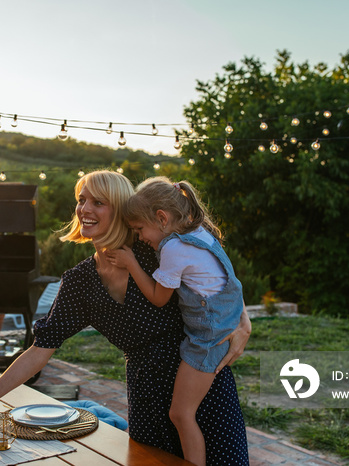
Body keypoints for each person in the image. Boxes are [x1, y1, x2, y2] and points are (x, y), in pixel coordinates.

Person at [0, 170, 250, 464]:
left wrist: (242, 318)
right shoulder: (80, 283)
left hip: (203, 390)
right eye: (82, 200)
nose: (85, 209)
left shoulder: (154, 250)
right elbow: (38, 351)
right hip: (146, 402)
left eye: (98, 202)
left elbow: (212, 272)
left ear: (120, 209)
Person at [105, 176, 245, 466]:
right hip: (222, 321)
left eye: (140, 229)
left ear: (162, 218)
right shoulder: (200, 232)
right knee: (184, 413)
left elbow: (158, 297)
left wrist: (131, 263)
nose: (141, 237)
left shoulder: (173, 249)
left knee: (180, 414)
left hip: (207, 336)